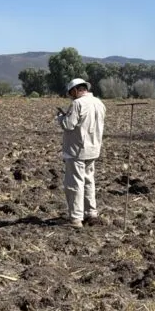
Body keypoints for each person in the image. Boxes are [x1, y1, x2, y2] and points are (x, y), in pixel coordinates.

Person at [56, 78, 107, 227]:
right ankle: (91, 213)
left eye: (71, 93)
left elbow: (69, 125)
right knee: (88, 181)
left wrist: (61, 118)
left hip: (77, 151)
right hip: (93, 149)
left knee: (74, 184)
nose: (71, 96)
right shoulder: (99, 103)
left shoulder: (77, 104)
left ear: (76, 90)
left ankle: (76, 218)